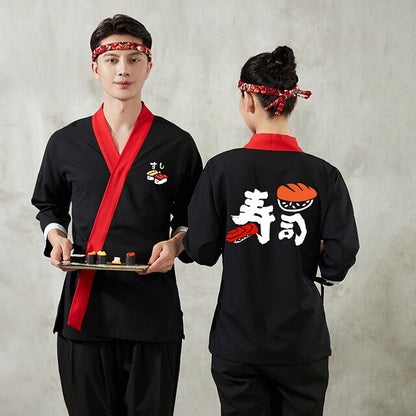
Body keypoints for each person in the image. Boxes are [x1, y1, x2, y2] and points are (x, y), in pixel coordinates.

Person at [31, 14, 202, 416]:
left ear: (149, 66)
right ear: (95, 67)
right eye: (111, 60)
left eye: (133, 59)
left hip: (153, 313)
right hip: (85, 311)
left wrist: (177, 244)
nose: (123, 69)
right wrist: (56, 236)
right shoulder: (66, 142)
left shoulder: (176, 143)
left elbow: (195, 216)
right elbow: (48, 204)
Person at [183, 46, 359, 416]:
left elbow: (201, 250)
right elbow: (338, 260)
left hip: (237, 342)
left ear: (248, 100)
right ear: (292, 102)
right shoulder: (324, 175)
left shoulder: (221, 170)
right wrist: (316, 247)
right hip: (301, 344)